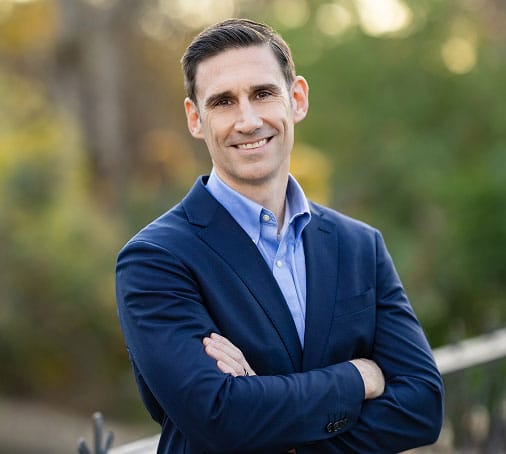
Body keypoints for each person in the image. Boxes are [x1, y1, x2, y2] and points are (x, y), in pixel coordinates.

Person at [115, 18, 444, 453]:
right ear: (195, 118)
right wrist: (358, 378)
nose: (248, 120)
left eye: (263, 93)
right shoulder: (155, 260)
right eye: (223, 102)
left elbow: (422, 407)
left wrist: (270, 419)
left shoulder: (361, 246)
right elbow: (219, 415)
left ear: (298, 99)